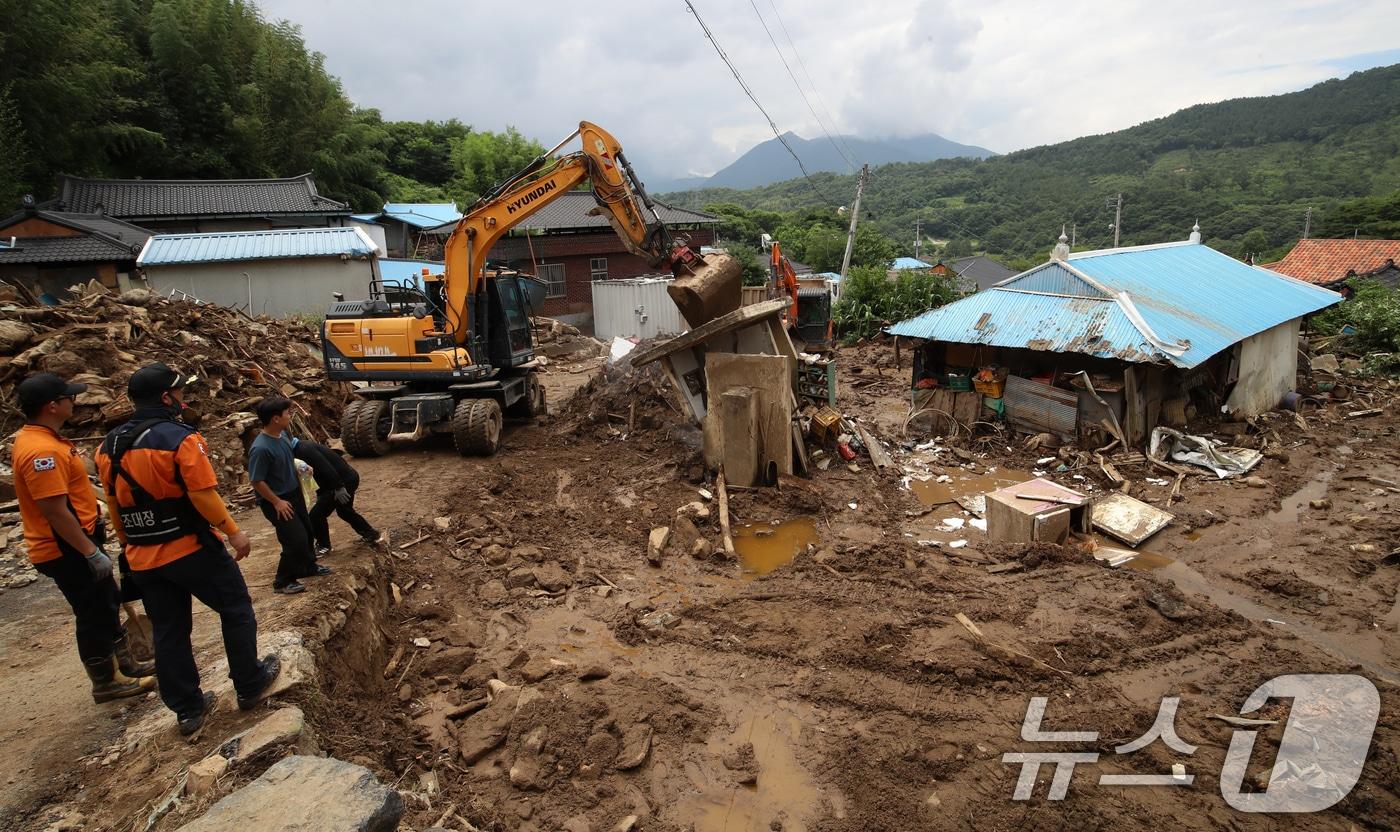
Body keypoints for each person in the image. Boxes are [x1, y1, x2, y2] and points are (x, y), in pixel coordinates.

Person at [96, 363, 280, 736]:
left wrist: (128, 540)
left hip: (143, 556)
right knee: (236, 609)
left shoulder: (108, 446)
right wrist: (232, 531)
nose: (183, 398)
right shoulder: (181, 438)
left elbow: (114, 503)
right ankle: (249, 682)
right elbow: (201, 494)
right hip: (190, 548)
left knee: (169, 630)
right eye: (179, 392)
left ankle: (187, 710)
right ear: (167, 397)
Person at [13, 373, 155, 703]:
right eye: (68, 398)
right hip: (65, 548)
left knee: (106, 602)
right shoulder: (40, 452)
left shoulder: (47, 440)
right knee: (92, 611)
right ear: (52, 406)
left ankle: (126, 665)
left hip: (76, 542)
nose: (73, 403)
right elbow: (54, 510)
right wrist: (89, 550)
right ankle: (106, 681)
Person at [247, 397, 330, 594]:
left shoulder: (282, 435)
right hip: (277, 500)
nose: (289, 416)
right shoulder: (260, 448)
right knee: (294, 539)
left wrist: (300, 467)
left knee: (308, 531)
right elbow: (256, 481)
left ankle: (308, 567)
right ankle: (283, 580)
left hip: (293, 493)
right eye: (287, 413)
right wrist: (276, 502)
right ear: (276, 418)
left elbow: (286, 459)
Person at [289, 435, 382, 556]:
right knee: (344, 511)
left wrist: (339, 487)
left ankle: (324, 545)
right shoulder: (300, 447)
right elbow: (319, 473)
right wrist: (321, 493)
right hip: (343, 479)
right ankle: (371, 534)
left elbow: (325, 467)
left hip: (343, 482)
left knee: (316, 515)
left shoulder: (303, 450)